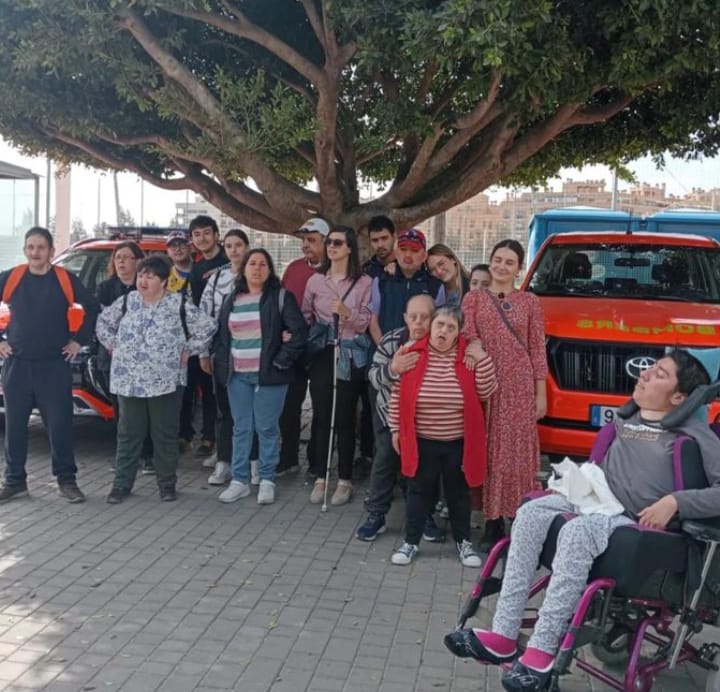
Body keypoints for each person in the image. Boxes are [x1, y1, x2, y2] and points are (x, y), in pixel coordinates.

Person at [445, 350, 720, 692]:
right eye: (650, 368)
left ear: (680, 397)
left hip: (637, 524)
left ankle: (542, 653)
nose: (645, 373)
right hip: (600, 504)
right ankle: (502, 634)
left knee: (577, 532)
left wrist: (676, 501)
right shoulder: (626, 420)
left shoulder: (698, 436)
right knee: (529, 513)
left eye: (660, 373)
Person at [96, 255, 216, 504]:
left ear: (164, 281)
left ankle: (166, 484)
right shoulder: (128, 301)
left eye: (150, 276)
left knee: (164, 433)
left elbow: (207, 326)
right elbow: (103, 323)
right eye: (141, 275)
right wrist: (113, 346)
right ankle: (121, 484)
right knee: (129, 433)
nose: (143, 280)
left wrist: (189, 349)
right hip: (129, 380)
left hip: (166, 381)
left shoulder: (178, 304)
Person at [386, 306, 497, 567]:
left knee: (459, 494)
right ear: (431, 326)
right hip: (421, 440)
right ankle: (411, 542)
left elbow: (486, 391)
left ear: (458, 333)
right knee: (418, 491)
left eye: (450, 327)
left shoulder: (468, 357)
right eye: (440, 325)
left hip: (458, 441)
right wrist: (394, 429)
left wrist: (481, 356)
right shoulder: (411, 354)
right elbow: (396, 395)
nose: (443, 331)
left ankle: (463, 543)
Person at [0, 227, 99, 504]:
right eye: (30, 247)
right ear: (25, 250)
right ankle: (14, 481)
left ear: (51, 252)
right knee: (16, 426)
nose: (35, 253)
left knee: (60, 426)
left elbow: (91, 306)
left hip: (53, 366)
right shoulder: (12, 277)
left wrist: (78, 341)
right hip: (17, 365)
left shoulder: (64, 279)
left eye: (41, 247)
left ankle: (67, 481)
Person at [461, 240, 548, 551]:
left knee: (519, 453)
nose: (501, 266)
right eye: (497, 260)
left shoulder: (529, 302)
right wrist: (474, 344)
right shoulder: (474, 299)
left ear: (518, 268)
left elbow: (538, 349)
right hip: (486, 383)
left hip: (520, 385)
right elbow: (467, 333)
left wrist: (541, 393)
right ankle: (492, 520)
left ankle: (521, 518)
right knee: (490, 449)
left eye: (509, 262)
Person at [211, 249, 307, 505]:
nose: (257, 268)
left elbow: (298, 333)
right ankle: (239, 481)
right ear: (243, 269)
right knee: (241, 428)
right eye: (252, 263)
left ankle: (266, 479)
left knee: (266, 428)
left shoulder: (280, 298)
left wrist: (280, 361)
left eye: (263, 264)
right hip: (238, 375)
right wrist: (223, 367)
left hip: (269, 376)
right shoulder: (232, 299)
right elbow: (222, 338)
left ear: (270, 270)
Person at [356, 294, 444, 542]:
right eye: (413, 317)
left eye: (425, 317)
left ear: (434, 317)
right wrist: (393, 369)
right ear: (405, 318)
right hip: (389, 414)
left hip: (427, 420)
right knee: (385, 458)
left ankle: (424, 515)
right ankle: (376, 514)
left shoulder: (441, 342)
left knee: (426, 465)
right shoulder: (392, 339)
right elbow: (372, 377)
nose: (418, 323)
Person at [303, 225, 372, 505]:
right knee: (321, 415)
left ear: (349, 248)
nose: (331, 246)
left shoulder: (365, 282)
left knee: (344, 417)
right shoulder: (315, 281)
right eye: (329, 242)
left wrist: (347, 314)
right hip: (323, 353)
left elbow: (366, 320)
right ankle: (321, 475)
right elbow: (307, 313)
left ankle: (344, 479)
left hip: (350, 353)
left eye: (338, 242)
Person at [95, 241, 155, 474]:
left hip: (144, 357)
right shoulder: (105, 288)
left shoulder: (147, 287)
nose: (120, 261)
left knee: (146, 408)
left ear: (138, 261)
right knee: (121, 411)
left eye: (126, 257)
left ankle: (148, 456)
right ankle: (125, 458)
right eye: (117, 257)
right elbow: (102, 322)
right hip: (113, 358)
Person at [199, 229, 250, 485]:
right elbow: (204, 315)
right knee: (224, 409)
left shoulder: (258, 273)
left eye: (238, 245)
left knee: (250, 410)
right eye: (228, 245)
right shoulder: (217, 278)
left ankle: (252, 462)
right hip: (222, 350)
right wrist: (203, 352)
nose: (233, 250)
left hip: (252, 350)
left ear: (247, 246)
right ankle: (224, 462)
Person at [278, 217, 328, 479]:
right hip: (294, 348)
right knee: (288, 405)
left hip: (322, 350)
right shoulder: (294, 268)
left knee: (321, 407)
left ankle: (317, 465)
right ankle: (287, 459)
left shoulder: (334, 270)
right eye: (303, 241)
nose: (305, 246)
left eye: (311, 240)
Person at [181, 216, 227, 459]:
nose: (202, 238)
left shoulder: (228, 261)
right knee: (198, 385)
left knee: (218, 391)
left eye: (206, 233)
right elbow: (196, 307)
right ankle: (196, 436)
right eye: (197, 234)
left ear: (217, 235)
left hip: (229, 335)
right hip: (203, 336)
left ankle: (216, 440)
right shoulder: (196, 269)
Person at [368, 228, 445, 345]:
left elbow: (438, 324)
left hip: (421, 354)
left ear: (424, 255)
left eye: (414, 250)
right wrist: (385, 351)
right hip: (384, 354)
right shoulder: (381, 281)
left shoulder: (435, 286)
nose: (408, 255)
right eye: (403, 249)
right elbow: (373, 322)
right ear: (396, 252)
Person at [166, 230, 193, 295]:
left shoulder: (202, 272)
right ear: (168, 252)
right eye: (173, 246)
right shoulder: (164, 276)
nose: (178, 249)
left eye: (182, 245)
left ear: (190, 248)